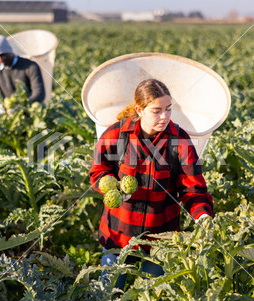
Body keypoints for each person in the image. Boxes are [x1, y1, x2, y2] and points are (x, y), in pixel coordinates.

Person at [89, 79, 213, 290]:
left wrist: (202, 215)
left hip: (159, 241)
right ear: (140, 110)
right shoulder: (117, 135)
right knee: (109, 294)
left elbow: (193, 188)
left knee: (152, 297)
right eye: (156, 111)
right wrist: (109, 186)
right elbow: (99, 171)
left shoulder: (179, 140)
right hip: (118, 235)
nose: (164, 116)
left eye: (168, 109)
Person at [0, 35, 45, 112]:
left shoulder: (30, 66)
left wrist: (23, 106)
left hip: (30, 111)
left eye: (3, 55)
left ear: (10, 51)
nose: (1, 59)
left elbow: (39, 93)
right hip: (8, 112)